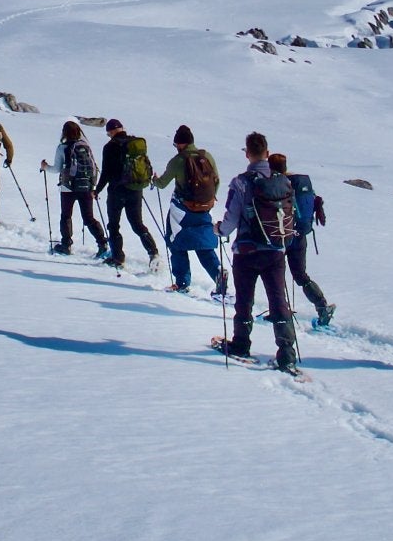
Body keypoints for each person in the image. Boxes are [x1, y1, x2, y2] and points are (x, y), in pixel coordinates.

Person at [214, 131, 301, 374]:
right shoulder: (282, 180)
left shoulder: (241, 182)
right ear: (267, 152)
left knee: (244, 300)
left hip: (246, 251)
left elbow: (231, 219)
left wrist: (220, 230)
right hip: (275, 250)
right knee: (278, 300)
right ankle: (287, 355)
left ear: (247, 154)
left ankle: (241, 345)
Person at [151, 124, 227, 295]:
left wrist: (154, 180)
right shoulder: (206, 156)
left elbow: (162, 184)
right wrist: (208, 200)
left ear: (180, 144)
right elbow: (216, 180)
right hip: (205, 208)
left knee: (176, 242)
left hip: (182, 209)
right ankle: (218, 272)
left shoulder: (178, 160)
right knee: (204, 244)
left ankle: (182, 282)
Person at [270, 153, 334, 327]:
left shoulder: (278, 185)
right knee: (300, 275)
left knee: (274, 274)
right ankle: (322, 306)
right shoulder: (300, 183)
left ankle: (279, 311)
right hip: (300, 235)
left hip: (283, 235)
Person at [98, 119, 160, 270]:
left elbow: (106, 173)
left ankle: (118, 258)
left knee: (113, 225)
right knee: (137, 223)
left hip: (116, 190)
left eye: (108, 133)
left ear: (111, 132)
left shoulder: (110, 147)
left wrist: (96, 190)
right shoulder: (135, 144)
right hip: (135, 189)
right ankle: (153, 252)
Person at [43, 120, 105, 254]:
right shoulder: (85, 146)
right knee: (89, 218)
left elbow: (56, 169)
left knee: (66, 216)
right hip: (86, 187)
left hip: (68, 188)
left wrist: (45, 167)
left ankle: (66, 245)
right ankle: (102, 243)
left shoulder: (62, 148)